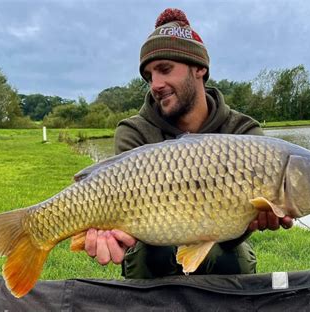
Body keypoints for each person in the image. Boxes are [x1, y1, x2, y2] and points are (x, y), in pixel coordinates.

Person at [83, 8, 293, 278]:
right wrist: (109, 234)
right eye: (149, 76)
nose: (155, 84)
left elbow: (238, 231)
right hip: (152, 245)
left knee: (230, 255)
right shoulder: (134, 130)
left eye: (165, 70)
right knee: (155, 252)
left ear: (200, 68)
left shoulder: (243, 132)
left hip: (223, 244)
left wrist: (254, 221)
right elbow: (129, 226)